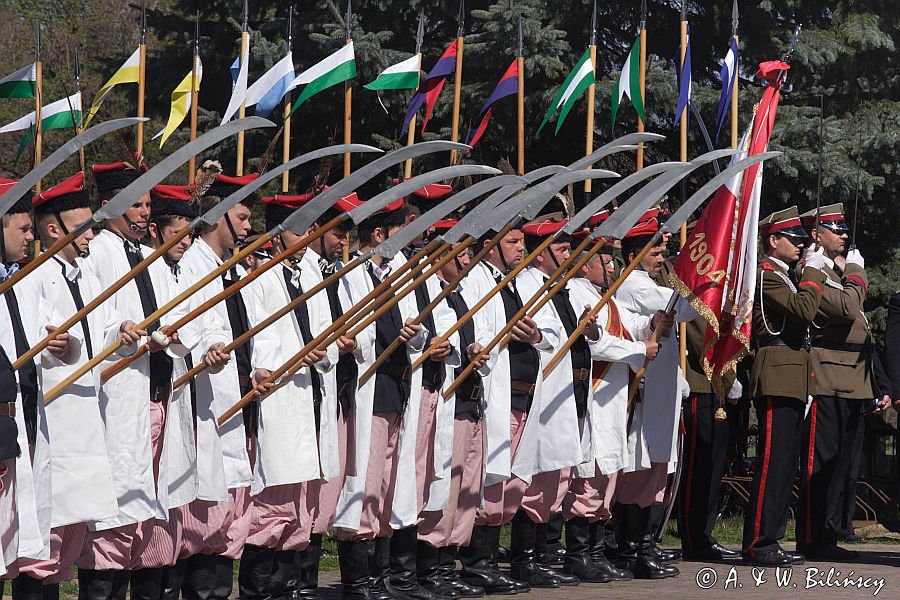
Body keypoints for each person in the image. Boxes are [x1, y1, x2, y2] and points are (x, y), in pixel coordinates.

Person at [13, 173, 137, 600]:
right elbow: (26, 342)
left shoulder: (84, 275)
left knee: (71, 529)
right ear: (55, 229)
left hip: (87, 411)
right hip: (56, 414)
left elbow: (98, 328)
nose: (92, 236)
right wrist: (52, 347)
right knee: (46, 529)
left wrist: (118, 331)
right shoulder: (31, 277)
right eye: (83, 227)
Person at [177, 166, 280, 600]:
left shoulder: (234, 270)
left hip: (240, 402)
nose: (248, 225)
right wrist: (210, 347)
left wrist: (261, 366)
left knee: (232, 507)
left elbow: (255, 328)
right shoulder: (191, 268)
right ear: (218, 216)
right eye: (241, 217)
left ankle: (218, 591)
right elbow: (191, 325)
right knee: (205, 509)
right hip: (208, 401)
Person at [455, 222, 557, 595]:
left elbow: (551, 332)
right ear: (490, 245)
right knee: (491, 481)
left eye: (522, 241)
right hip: (500, 397)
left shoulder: (517, 283)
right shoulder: (479, 281)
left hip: (525, 396)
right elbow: (477, 331)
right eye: (512, 241)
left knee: (513, 482)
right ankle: (477, 564)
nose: (521, 248)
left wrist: (536, 335)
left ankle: (490, 562)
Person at [741, 206, 826, 567]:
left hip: (792, 374)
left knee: (783, 464)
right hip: (777, 371)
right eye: (794, 240)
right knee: (772, 463)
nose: (801, 246)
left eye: (802, 241)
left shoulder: (785, 275)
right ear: (773, 241)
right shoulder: (768, 276)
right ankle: (758, 542)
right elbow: (804, 310)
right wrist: (813, 272)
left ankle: (769, 539)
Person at [796, 204, 878, 561]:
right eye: (835, 229)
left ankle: (828, 533)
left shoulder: (834, 270)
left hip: (851, 379)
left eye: (844, 229)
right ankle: (813, 537)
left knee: (840, 465)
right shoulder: (810, 269)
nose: (844, 234)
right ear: (816, 235)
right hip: (827, 376)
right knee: (819, 463)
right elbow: (845, 308)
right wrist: (857, 272)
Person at [416, 223, 491, 598]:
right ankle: (431, 563)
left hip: (471, 397)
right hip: (450, 400)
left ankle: (449, 559)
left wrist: (473, 349)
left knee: (467, 486)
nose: (465, 260)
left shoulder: (457, 294)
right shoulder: (431, 293)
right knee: (444, 484)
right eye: (458, 254)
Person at [612, 210, 688, 579]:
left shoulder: (648, 282)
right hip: (644, 391)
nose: (662, 261)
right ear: (632, 256)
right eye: (655, 254)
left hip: (661, 391)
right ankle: (630, 546)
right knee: (640, 468)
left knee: (654, 468)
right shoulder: (635, 284)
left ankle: (642, 543)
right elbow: (685, 307)